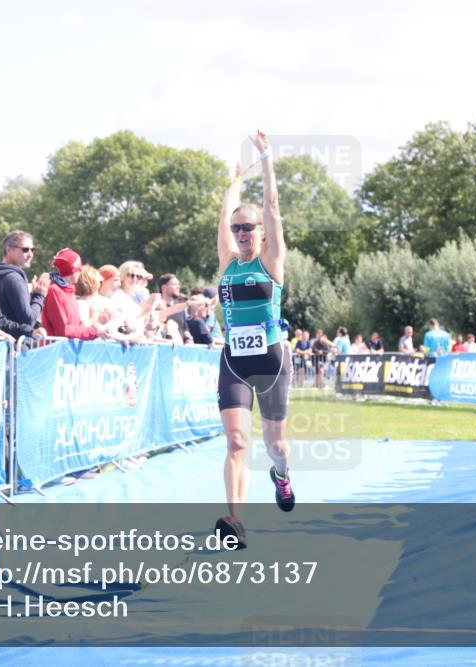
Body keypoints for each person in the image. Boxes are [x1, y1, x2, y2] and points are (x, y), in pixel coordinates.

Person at [214, 131, 293, 546]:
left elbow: (272, 206)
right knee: (236, 440)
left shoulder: (271, 261)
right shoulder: (227, 263)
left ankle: (281, 475)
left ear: (262, 232)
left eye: (248, 227)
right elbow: (223, 215)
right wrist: (234, 180)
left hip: (272, 362)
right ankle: (235, 520)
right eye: (237, 228)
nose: (242, 233)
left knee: (276, 445)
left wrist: (265, 158)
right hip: (235, 362)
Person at [0, 230, 50, 337]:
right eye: (25, 249)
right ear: (9, 249)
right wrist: (39, 296)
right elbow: (28, 321)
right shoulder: (14, 279)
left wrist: (32, 296)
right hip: (13, 342)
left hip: (1, 341)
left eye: (32, 250)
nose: (30, 254)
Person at [42, 248, 106, 340]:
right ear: (73, 270)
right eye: (79, 269)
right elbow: (63, 331)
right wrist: (93, 331)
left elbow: (77, 325)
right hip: (55, 347)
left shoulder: (70, 289)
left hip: (68, 347)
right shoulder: (54, 290)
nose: (80, 272)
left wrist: (96, 329)